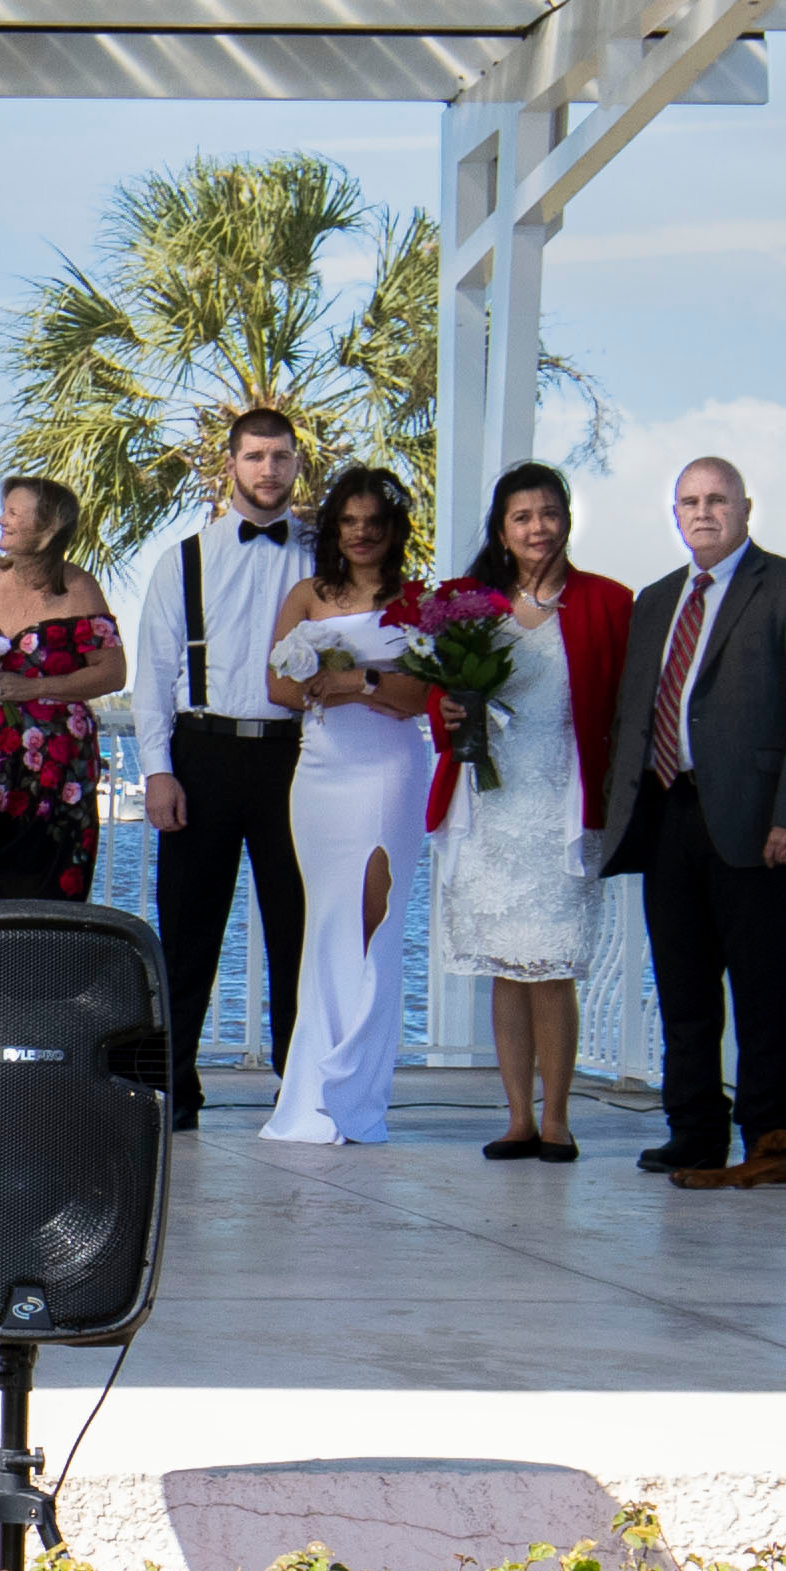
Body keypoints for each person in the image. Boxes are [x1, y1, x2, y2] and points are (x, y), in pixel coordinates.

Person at [587, 457, 786, 1180]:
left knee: (762, 990)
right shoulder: (657, 600)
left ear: (745, 507)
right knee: (683, 988)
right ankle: (693, 1127)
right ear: (676, 515)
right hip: (667, 813)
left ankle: (767, 1129)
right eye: (689, 502)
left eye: (717, 500)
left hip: (757, 821)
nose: (703, 512)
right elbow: (633, 713)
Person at [121, 409, 319, 1134]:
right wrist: (156, 771)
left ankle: (301, 1086)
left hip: (295, 757)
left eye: (281, 457)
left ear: (298, 464)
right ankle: (174, 1087)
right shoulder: (185, 559)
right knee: (189, 928)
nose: (269, 470)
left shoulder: (322, 557)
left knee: (299, 928)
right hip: (202, 754)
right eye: (256, 456)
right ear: (230, 464)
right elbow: (154, 675)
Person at [431, 461, 629, 1162]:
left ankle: (558, 1118)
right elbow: (441, 695)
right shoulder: (465, 602)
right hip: (490, 803)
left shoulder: (608, 601)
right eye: (522, 517)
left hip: (561, 802)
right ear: (502, 529)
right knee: (506, 969)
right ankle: (516, 1117)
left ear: (566, 519)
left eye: (548, 513)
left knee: (552, 968)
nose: (537, 527)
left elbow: (627, 705)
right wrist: (448, 708)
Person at [255, 467, 441, 1147]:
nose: (362, 534)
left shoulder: (417, 600)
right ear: (335, 529)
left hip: (389, 768)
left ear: (394, 530)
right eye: (349, 522)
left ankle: (358, 1091)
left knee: (375, 919)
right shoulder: (308, 594)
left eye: (375, 522)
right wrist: (352, 686)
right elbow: (278, 686)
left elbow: (415, 697)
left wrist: (353, 681)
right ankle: (312, 1091)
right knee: (328, 922)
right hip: (322, 772)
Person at [0, 477, 125, 904]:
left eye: (14, 513)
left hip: (56, 772)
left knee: (42, 894)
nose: (1, 519)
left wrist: (34, 687)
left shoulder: (79, 589)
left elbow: (112, 673)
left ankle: (42, 971)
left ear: (46, 529)